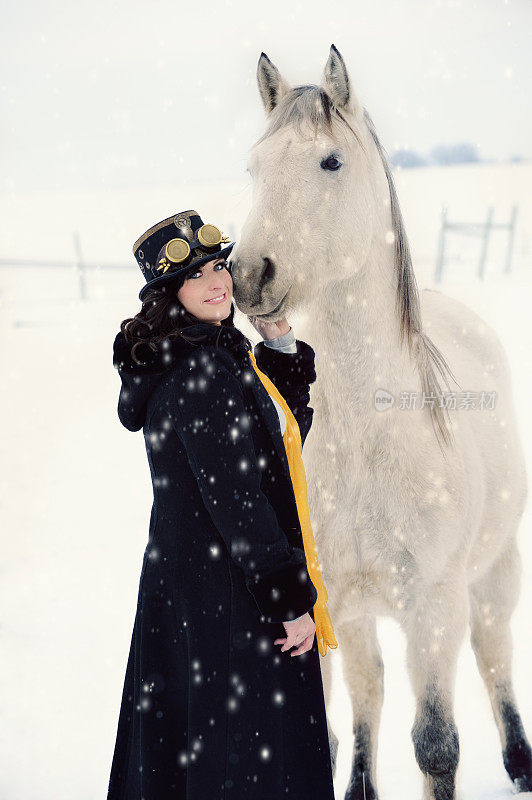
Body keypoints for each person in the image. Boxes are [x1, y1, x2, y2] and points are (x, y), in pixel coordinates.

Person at [107, 210, 335, 799]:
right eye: (196, 276)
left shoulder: (200, 357)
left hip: (193, 592)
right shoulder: (203, 369)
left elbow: (269, 453)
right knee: (248, 759)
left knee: (199, 749)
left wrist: (281, 351)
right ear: (168, 294)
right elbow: (242, 501)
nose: (218, 283)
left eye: (218, 267)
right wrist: (289, 600)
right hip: (231, 600)